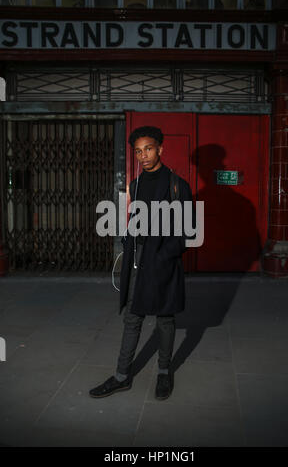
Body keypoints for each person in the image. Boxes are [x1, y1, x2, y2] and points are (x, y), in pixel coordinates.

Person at [89, 125, 195, 400]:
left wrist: (163, 255)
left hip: (162, 263)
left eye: (148, 149)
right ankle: (122, 376)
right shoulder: (134, 184)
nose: (143, 155)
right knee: (132, 318)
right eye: (138, 151)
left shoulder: (177, 185)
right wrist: (129, 240)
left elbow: (187, 232)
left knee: (165, 319)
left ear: (160, 148)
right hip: (137, 262)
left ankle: (163, 372)